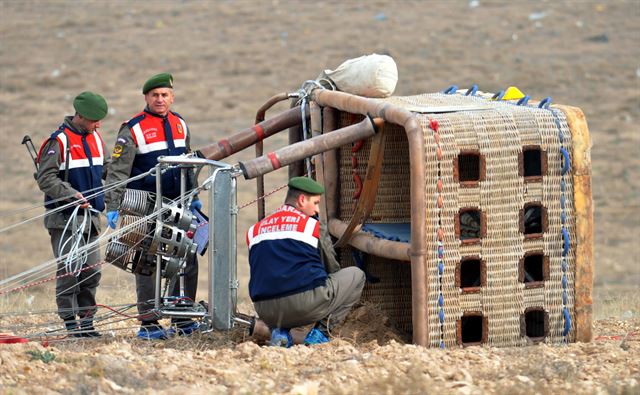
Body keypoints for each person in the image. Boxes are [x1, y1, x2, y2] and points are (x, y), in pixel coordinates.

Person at [104, 73, 200, 340]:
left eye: (164, 94)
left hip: (178, 203)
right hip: (143, 205)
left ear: (172, 97)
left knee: (186, 258)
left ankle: (183, 318)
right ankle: (149, 323)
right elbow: (118, 171)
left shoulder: (180, 123)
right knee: (145, 263)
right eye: (155, 95)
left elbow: (188, 162)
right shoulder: (132, 128)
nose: (160, 99)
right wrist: (114, 204)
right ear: (146, 97)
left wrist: (193, 193)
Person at [246, 177, 365, 347]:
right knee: (355, 275)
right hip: (303, 306)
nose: (317, 210)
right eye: (315, 203)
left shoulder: (255, 229)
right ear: (302, 200)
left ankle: (280, 333)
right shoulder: (312, 226)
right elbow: (332, 268)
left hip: (265, 310)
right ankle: (319, 336)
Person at [36, 91, 108, 337]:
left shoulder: (96, 138)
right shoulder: (58, 141)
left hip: (92, 219)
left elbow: (107, 169)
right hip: (65, 219)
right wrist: (71, 195)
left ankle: (87, 323)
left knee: (92, 271)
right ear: (79, 116)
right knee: (70, 270)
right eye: (93, 120)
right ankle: (70, 323)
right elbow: (45, 178)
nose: (98, 125)